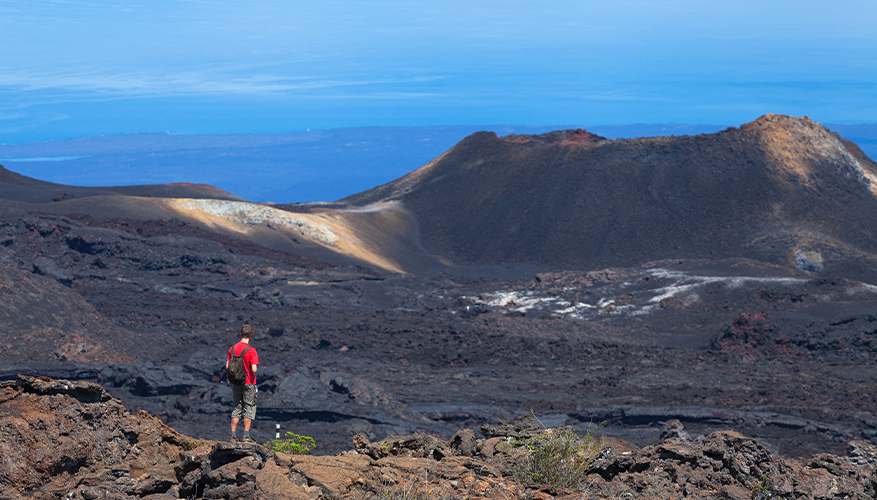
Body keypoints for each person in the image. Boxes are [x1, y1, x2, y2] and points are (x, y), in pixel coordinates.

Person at [226, 324, 259, 443]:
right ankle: (246, 436)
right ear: (251, 335)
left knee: (237, 407)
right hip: (249, 382)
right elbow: (254, 369)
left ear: (241, 334)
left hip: (236, 382)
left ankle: (233, 436)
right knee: (248, 407)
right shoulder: (251, 350)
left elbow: (227, 366)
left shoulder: (232, 348)